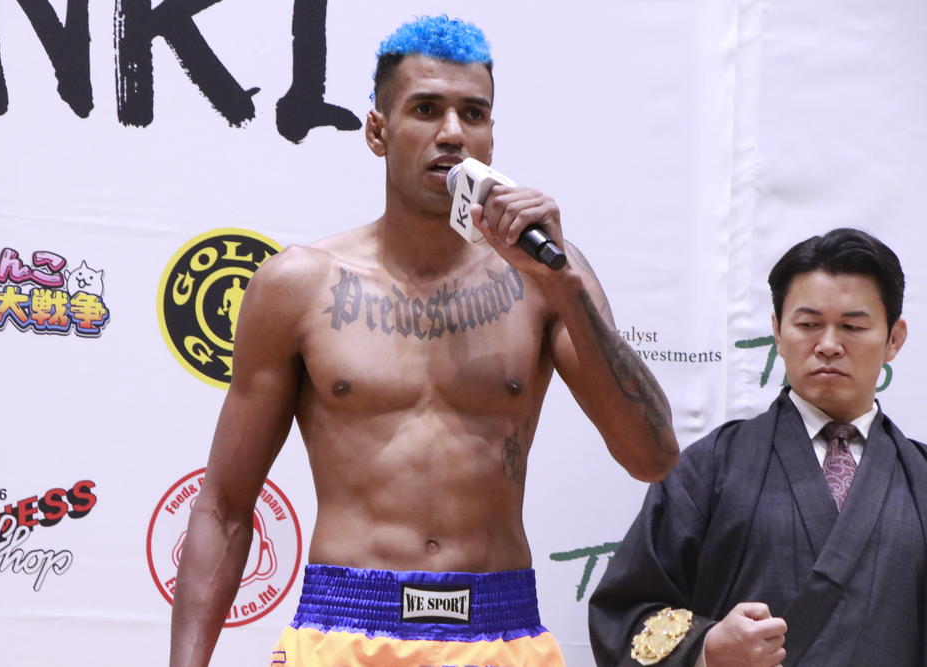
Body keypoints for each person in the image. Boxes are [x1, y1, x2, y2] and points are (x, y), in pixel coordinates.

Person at [170, 15, 678, 667]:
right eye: (426, 109)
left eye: (474, 113)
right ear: (377, 130)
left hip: (499, 633)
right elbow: (224, 507)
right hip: (343, 633)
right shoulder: (297, 285)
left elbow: (652, 457)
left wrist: (566, 285)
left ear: (491, 135)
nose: (453, 133)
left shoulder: (547, 278)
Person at [588, 228, 926, 666]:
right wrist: (707, 648)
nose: (828, 345)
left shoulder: (920, 478)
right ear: (777, 332)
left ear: (894, 339)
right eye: (808, 325)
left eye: (852, 326)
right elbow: (623, 613)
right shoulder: (712, 467)